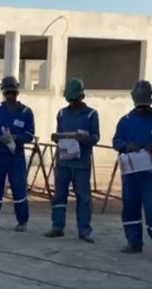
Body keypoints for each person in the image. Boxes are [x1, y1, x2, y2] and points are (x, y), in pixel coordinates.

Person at [44, 78, 99, 243]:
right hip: (63, 163)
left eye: (75, 100)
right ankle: (57, 226)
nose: (72, 104)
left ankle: (84, 230)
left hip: (81, 164)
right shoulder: (62, 113)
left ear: (82, 96)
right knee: (59, 196)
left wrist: (84, 138)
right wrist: (55, 137)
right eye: (70, 100)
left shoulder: (91, 115)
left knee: (83, 197)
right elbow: (59, 132)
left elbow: (96, 137)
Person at [112, 80, 152, 259]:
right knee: (130, 207)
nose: (142, 110)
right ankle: (134, 242)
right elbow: (116, 141)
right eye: (139, 107)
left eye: (145, 107)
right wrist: (125, 145)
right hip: (131, 173)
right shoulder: (125, 121)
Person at [0, 76, 35, 231]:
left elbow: (29, 135)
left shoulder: (26, 113)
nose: (11, 96)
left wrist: (16, 138)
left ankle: (22, 221)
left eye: (13, 92)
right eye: (7, 93)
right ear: (3, 93)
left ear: (18, 92)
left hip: (16, 157)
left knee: (19, 187)